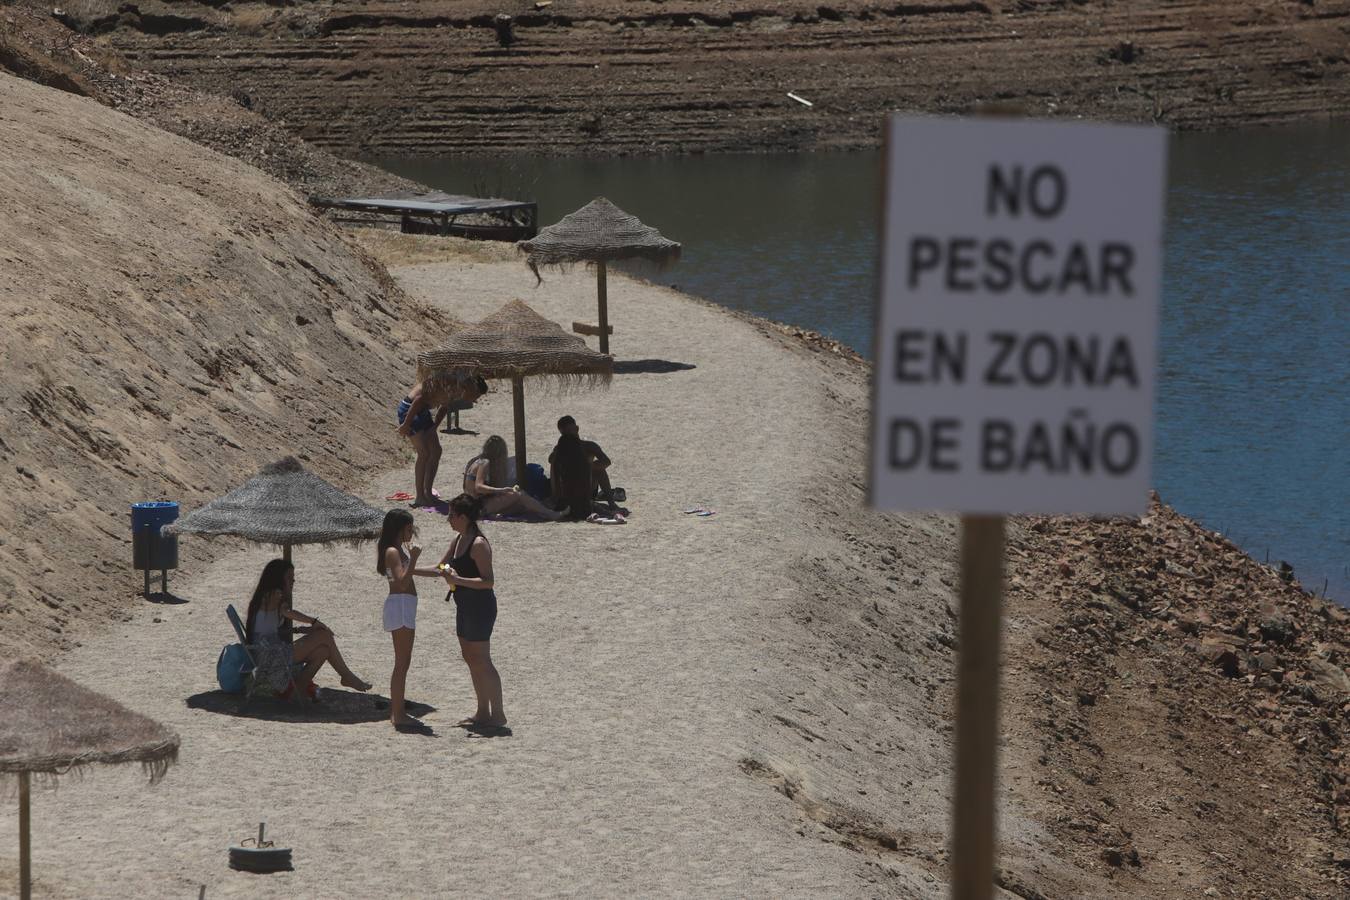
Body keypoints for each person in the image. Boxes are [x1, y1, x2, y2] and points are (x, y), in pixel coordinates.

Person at [245, 559, 371, 699]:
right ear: (277, 578)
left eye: (293, 578)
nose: (293, 581)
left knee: (323, 651)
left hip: (271, 652)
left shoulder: (265, 597)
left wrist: (301, 630)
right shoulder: (272, 595)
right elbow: (287, 612)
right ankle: (347, 676)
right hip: (270, 656)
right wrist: (313, 621)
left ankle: (295, 693)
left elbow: (272, 630)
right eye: (289, 578)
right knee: (324, 636)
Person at [439, 494, 506, 730]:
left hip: (480, 607)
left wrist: (458, 579)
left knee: (482, 660)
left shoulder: (478, 544)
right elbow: (441, 568)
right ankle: (482, 712)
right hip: (464, 605)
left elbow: (488, 582)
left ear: (464, 517)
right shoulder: (458, 539)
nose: (448, 519)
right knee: (471, 659)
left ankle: (498, 714)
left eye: (451, 515)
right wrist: (410, 569)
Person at [376, 508, 443, 730]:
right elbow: (402, 581)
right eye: (409, 528)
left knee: (404, 661)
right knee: (402, 662)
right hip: (401, 604)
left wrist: (437, 570)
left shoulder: (396, 551)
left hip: (404, 605)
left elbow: (408, 573)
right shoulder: (393, 552)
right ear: (400, 528)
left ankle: (398, 711)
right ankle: (397, 713)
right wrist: (414, 558)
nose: (411, 532)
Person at [397, 376, 488, 509]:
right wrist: (406, 424)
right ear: (472, 388)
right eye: (475, 395)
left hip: (423, 411)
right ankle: (420, 497)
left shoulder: (458, 389)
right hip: (410, 409)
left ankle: (428, 492)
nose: (475, 400)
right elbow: (418, 400)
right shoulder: (450, 384)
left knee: (436, 451)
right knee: (424, 453)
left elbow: (444, 407)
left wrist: (433, 428)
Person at [463, 434, 564, 521]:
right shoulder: (485, 462)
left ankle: (545, 511)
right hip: (478, 506)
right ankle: (550, 513)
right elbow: (479, 487)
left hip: (473, 504)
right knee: (519, 495)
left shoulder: (476, 460)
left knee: (522, 504)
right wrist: (500, 490)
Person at [549, 415, 620, 513]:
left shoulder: (589, 446)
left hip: (586, 486)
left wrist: (586, 467)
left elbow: (606, 461)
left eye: (571, 431)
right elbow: (551, 460)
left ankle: (611, 503)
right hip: (568, 488)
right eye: (565, 433)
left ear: (577, 429)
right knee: (554, 464)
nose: (569, 435)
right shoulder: (561, 449)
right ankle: (557, 498)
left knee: (599, 470)